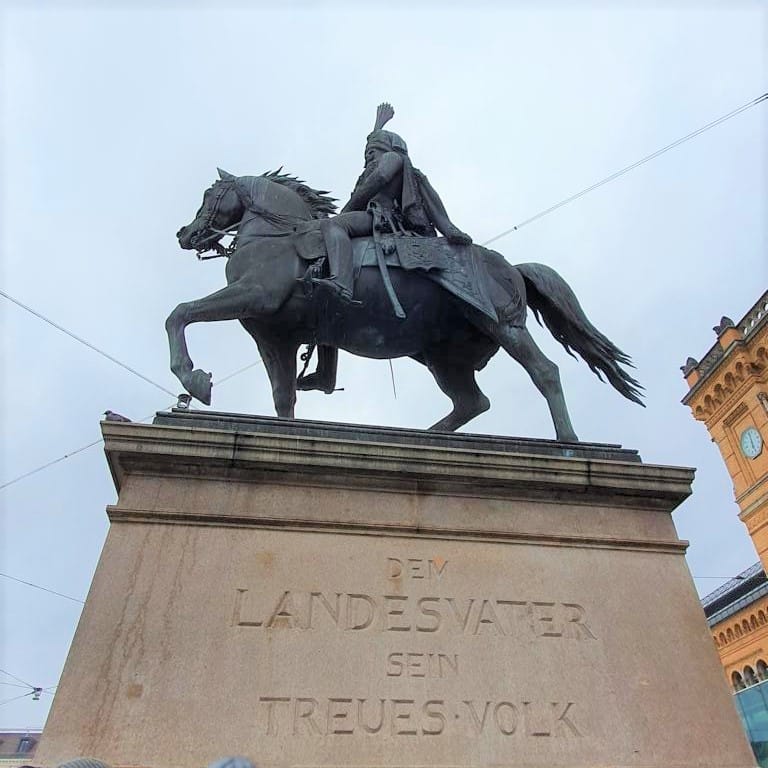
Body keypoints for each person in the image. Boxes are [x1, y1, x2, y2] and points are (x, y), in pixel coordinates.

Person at [312, 103, 472, 303]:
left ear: (384, 147)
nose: (368, 153)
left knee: (335, 224)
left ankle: (342, 283)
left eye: (373, 149)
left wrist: (344, 211)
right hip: (370, 215)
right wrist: (377, 127)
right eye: (366, 151)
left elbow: (376, 181)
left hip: (384, 218)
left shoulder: (392, 158)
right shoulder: (368, 170)